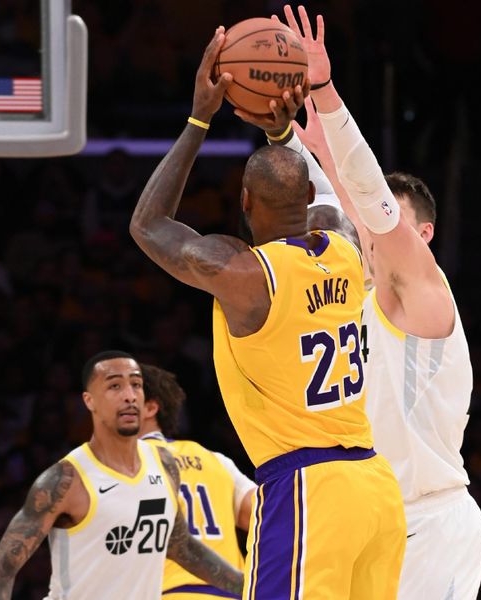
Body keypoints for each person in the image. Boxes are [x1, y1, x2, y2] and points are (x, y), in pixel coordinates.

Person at [129, 28, 406, 599]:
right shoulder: (346, 249)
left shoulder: (245, 276)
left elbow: (148, 226)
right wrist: (282, 130)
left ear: (245, 202)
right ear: (305, 202)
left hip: (308, 489)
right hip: (376, 490)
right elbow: (328, 196)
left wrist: (199, 120)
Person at [265, 6, 481, 598]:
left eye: (384, 221)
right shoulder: (357, 295)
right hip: (372, 518)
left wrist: (327, 90)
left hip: (432, 520)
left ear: (423, 235)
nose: (367, 229)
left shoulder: (425, 293)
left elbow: (367, 201)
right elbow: (347, 205)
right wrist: (297, 143)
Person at [0, 350, 243, 600]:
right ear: (89, 401)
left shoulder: (164, 465)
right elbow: (0, 572)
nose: (129, 396)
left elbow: (182, 547)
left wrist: (251, 588)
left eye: (136, 385)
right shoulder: (66, 479)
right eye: (115, 386)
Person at [138, 362, 256, 599]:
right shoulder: (214, 459)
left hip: (166, 591)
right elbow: (264, 515)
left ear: (150, 408)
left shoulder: (119, 463)